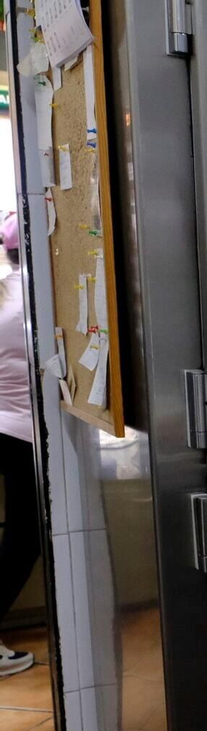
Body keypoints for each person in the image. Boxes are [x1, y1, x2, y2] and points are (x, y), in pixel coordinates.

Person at [0, 214, 38, 676]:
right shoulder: (31, 298)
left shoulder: (7, 292)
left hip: (4, 427)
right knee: (24, 539)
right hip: (23, 434)